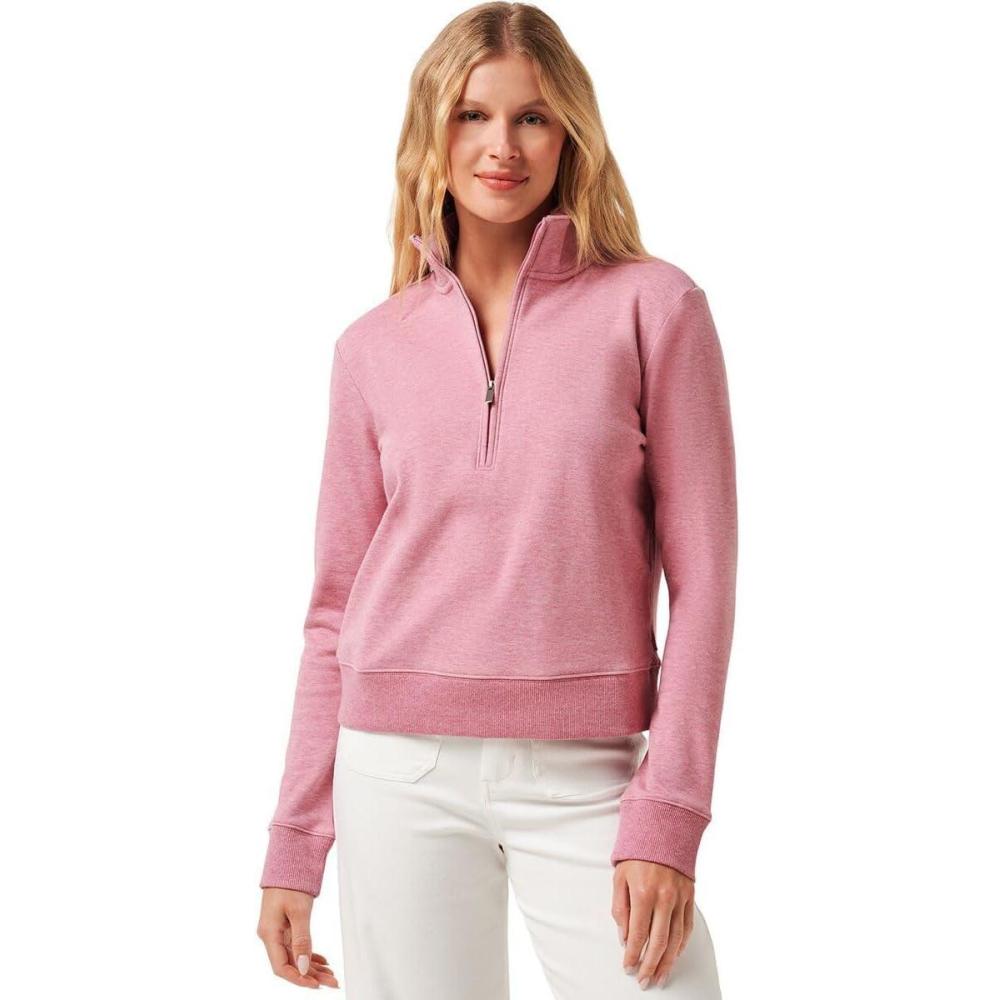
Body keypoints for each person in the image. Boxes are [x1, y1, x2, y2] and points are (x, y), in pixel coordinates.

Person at [256, 3, 737, 997]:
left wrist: (669, 814)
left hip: (590, 774)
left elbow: (705, 582)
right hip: (396, 773)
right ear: (433, 131)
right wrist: (296, 841)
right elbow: (334, 610)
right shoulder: (372, 348)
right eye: (472, 115)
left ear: (571, 135)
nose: (501, 146)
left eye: (532, 117)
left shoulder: (655, 309)